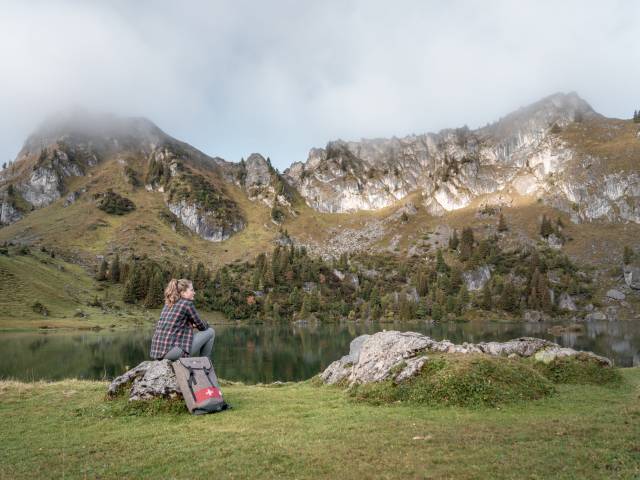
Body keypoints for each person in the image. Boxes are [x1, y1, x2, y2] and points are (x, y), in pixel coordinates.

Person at [150, 278, 215, 361]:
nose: (194, 293)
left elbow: (176, 324)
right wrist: (204, 323)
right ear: (183, 293)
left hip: (156, 353)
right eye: (192, 290)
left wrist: (191, 324)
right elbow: (202, 327)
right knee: (211, 332)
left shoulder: (168, 303)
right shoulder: (187, 304)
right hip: (170, 353)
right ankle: (204, 364)